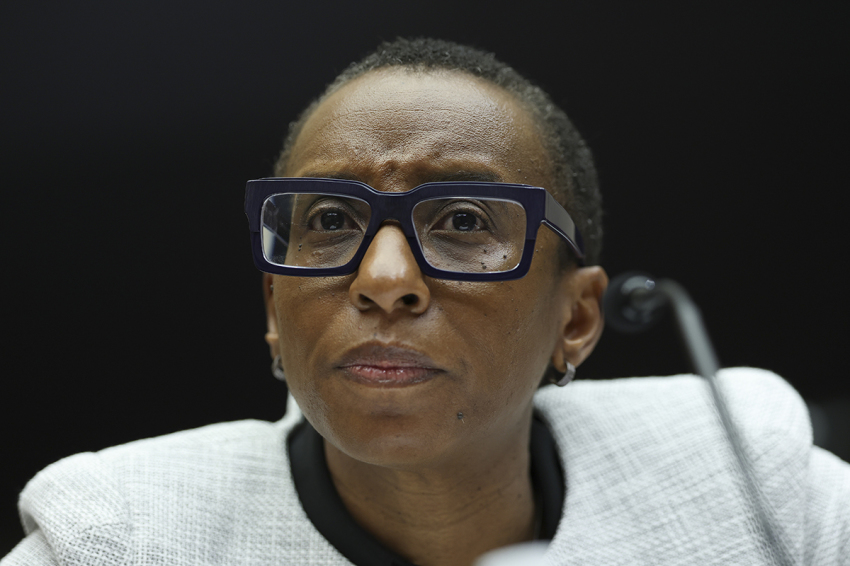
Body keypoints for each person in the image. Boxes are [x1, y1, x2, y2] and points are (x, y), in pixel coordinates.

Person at [3, 38, 849, 566]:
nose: (383, 278)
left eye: (465, 219)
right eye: (331, 220)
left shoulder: (749, 481)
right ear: (273, 302)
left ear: (578, 319)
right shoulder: (125, 538)